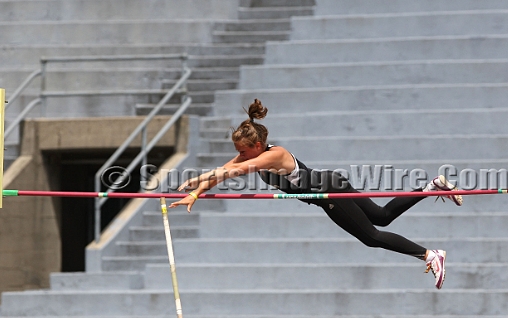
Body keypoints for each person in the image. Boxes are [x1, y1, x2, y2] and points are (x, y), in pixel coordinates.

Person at [170, 99, 463, 289]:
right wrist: (195, 194)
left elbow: (229, 173)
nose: (239, 156)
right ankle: (430, 188)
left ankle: (429, 255)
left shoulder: (273, 156)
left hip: (327, 192)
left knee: (371, 237)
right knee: (382, 216)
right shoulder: (252, 157)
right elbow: (222, 171)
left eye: (242, 151)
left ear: (257, 146)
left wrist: (196, 180)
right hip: (330, 183)